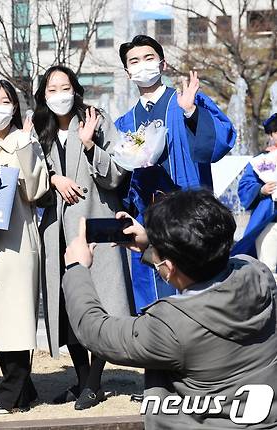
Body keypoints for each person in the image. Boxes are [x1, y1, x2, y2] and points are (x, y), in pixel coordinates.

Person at [63, 189, 277, 429]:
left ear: (170, 266)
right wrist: (153, 248)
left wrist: (76, 268)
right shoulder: (259, 275)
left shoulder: (172, 326)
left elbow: (96, 332)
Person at [34, 65, 132, 410]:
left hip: (95, 221)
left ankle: (94, 382)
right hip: (56, 229)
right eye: (51, 89)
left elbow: (118, 174)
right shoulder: (38, 130)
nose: (59, 94)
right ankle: (80, 379)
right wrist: (53, 178)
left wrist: (90, 146)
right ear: (43, 96)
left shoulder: (98, 120)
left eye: (65, 87)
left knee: (101, 300)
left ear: (76, 90)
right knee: (68, 301)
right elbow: (30, 179)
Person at [115, 35, 236, 313]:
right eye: (134, 61)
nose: (142, 65)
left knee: (197, 293)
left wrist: (192, 111)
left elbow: (219, 143)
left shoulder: (185, 102)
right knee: (154, 299)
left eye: (148, 58)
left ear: (163, 63)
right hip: (148, 222)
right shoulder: (124, 122)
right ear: (127, 73)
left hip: (191, 216)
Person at [0, 79, 49, 416]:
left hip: (18, 237)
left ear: (15, 107)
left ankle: (8, 394)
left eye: (5, 101)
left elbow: (37, 191)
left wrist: (26, 148)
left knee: (16, 315)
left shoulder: (24, 140)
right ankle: (24, 389)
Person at [232, 113, 277, 267]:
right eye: (276, 131)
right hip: (269, 220)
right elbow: (245, 185)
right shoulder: (261, 160)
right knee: (268, 265)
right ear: (271, 134)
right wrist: (261, 190)